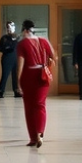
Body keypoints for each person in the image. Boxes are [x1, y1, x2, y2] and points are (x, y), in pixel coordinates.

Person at [16, 20, 55, 148]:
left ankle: (33, 138)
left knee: (29, 107)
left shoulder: (22, 44)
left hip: (28, 76)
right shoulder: (44, 41)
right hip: (42, 76)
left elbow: (21, 64)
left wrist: (18, 81)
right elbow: (53, 57)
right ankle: (40, 133)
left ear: (25, 30)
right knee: (40, 105)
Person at [0, 21, 22, 98]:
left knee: (15, 75)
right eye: (8, 27)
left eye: (11, 27)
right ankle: (1, 91)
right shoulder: (4, 38)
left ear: (14, 27)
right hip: (7, 58)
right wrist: (9, 47)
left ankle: (16, 91)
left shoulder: (18, 38)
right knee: (5, 75)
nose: (9, 29)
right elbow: (0, 48)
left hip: (16, 58)